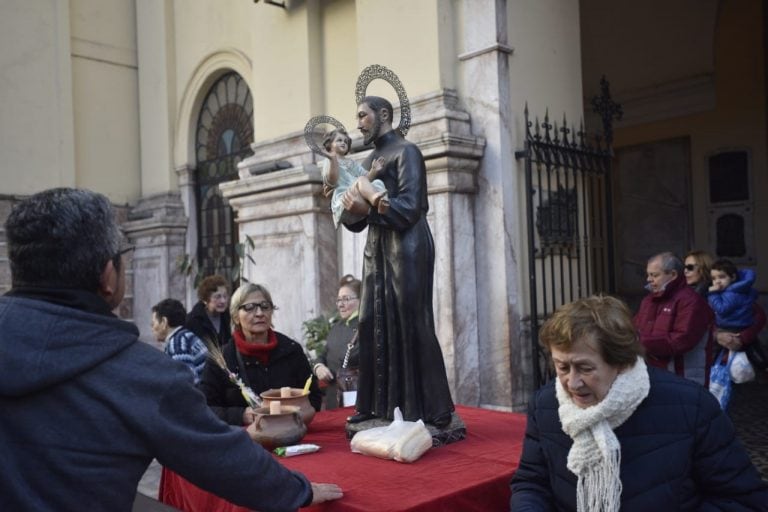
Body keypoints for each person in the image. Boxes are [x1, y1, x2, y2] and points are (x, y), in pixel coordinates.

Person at [0, 188, 342, 510]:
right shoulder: (142, 374)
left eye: (264, 307)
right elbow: (216, 454)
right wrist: (298, 490)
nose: (258, 314)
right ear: (109, 276)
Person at [509, 295, 768, 511]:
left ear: (621, 361)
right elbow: (532, 483)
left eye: (585, 368)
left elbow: (741, 499)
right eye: (562, 367)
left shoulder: (691, 405)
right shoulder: (546, 405)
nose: (572, 383)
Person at [341, 95, 455, 427]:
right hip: (377, 247)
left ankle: (435, 408)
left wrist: (371, 208)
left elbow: (411, 206)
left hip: (407, 246)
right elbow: (354, 218)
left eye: (363, 115)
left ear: (384, 115)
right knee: (370, 321)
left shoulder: (407, 152)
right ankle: (377, 404)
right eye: (357, 115)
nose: (358, 122)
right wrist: (351, 209)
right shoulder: (370, 160)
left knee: (412, 321)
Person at [199, 283, 322, 426]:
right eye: (249, 307)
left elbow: (314, 397)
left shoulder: (291, 350)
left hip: (291, 434)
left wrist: (295, 412)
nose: (259, 313)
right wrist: (240, 416)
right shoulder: (223, 359)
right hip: (242, 439)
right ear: (236, 316)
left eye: (265, 306)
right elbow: (204, 409)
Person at [633, 252, 713, 385]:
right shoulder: (648, 301)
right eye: (648, 274)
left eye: (655, 275)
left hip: (683, 378)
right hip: (653, 377)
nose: (648, 279)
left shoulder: (691, 302)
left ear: (673, 275)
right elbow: (635, 328)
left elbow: (681, 340)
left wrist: (639, 342)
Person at [320, 128, 388, 228]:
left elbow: (367, 179)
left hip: (358, 191)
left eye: (345, 141)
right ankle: (374, 198)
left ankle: (382, 202)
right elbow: (331, 181)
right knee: (361, 180)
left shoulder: (352, 162)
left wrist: (374, 170)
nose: (343, 143)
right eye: (339, 140)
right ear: (330, 144)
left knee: (378, 182)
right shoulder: (329, 161)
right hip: (344, 195)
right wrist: (333, 160)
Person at [313, 274, 362, 409]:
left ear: (362, 300)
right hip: (333, 399)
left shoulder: (368, 326)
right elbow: (323, 354)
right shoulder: (337, 327)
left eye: (346, 299)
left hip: (357, 401)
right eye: (339, 300)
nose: (340, 304)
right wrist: (319, 367)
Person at [151, 298, 209, 384]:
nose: (152, 328)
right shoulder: (185, 336)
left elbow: (186, 383)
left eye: (153, 323)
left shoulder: (177, 344)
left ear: (164, 322)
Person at [708, 259, 758, 334]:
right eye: (714, 278)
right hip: (742, 326)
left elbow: (721, 310)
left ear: (733, 277)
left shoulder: (732, 294)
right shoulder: (742, 290)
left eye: (722, 277)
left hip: (731, 329)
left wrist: (712, 294)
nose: (717, 281)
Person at [185, 274, 232, 348]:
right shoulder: (192, 321)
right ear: (205, 300)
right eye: (218, 297)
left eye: (225, 296)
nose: (223, 301)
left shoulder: (230, 317)